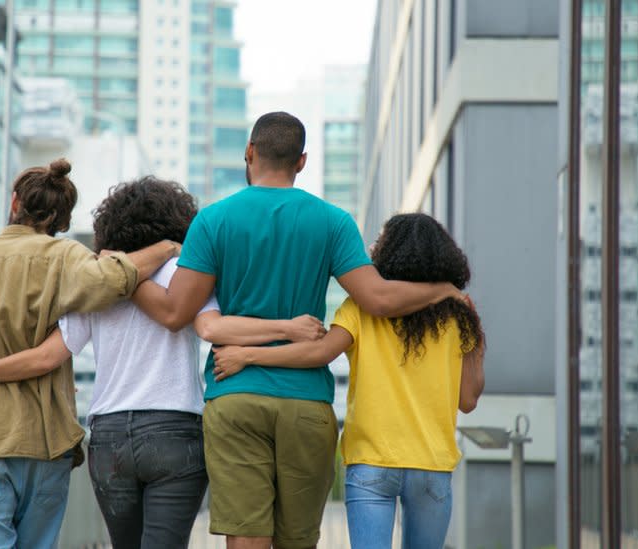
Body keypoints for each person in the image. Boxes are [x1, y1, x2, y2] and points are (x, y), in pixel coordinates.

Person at [131, 112, 465, 549]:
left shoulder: (213, 221)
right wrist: (443, 288)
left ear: (249, 152)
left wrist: (125, 276)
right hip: (307, 404)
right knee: (298, 541)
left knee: (247, 538)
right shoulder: (332, 221)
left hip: (236, 395)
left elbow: (176, 312)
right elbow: (379, 299)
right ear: (302, 161)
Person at [0, 176, 327, 549]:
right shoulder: (188, 276)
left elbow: (50, 355)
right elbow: (213, 327)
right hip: (176, 429)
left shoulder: (97, 282)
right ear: (180, 222)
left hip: (109, 436)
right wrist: (286, 329)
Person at [212, 213, 486, 549]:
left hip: (371, 463)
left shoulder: (361, 308)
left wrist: (248, 356)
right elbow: (469, 400)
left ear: (390, 254)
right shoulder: (460, 316)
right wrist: (476, 338)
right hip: (432, 465)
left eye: (379, 243)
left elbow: (318, 354)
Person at [0, 160, 180, 549]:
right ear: (61, 218)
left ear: (14, 201)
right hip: (45, 438)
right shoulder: (65, 258)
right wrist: (168, 246)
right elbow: (115, 277)